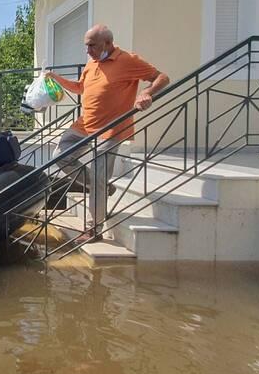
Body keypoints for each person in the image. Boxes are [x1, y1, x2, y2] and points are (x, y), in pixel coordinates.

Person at [45, 24, 170, 242]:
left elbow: (162, 77)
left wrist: (147, 93)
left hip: (111, 129)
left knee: (99, 172)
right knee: (60, 156)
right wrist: (56, 79)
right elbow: (80, 88)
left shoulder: (128, 60)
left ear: (108, 43)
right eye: (86, 46)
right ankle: (102, 187)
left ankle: (94, 229)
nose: (88, 51)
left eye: (92, 46)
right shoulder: (92, 62)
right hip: (84, 125)